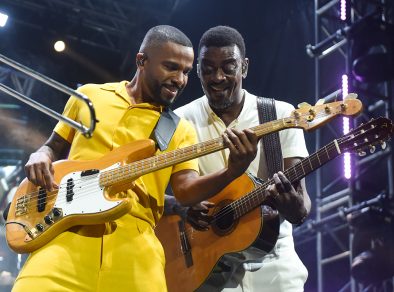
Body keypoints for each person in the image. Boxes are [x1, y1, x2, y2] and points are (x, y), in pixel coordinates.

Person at [12, 25, 259, 292]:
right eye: (171, 67)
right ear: (141, 61)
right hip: (62, 243)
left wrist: (232, 171)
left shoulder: (180, 128)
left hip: (136, 253)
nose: (180, 79)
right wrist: (40, 154)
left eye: (186, 71)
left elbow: (186, 193)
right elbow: (53, 146)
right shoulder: (90, 96)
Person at [173, 26, 311, 291]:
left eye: (228, 67)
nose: (218, 77)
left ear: (244, 67)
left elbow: (300, 200)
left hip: (275, 269)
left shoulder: (280, 115)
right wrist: (181, 207)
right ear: (198, 68)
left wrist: (296, 207)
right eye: (208, 68)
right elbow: (158, 196)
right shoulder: (180, 121)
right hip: (206, 269)